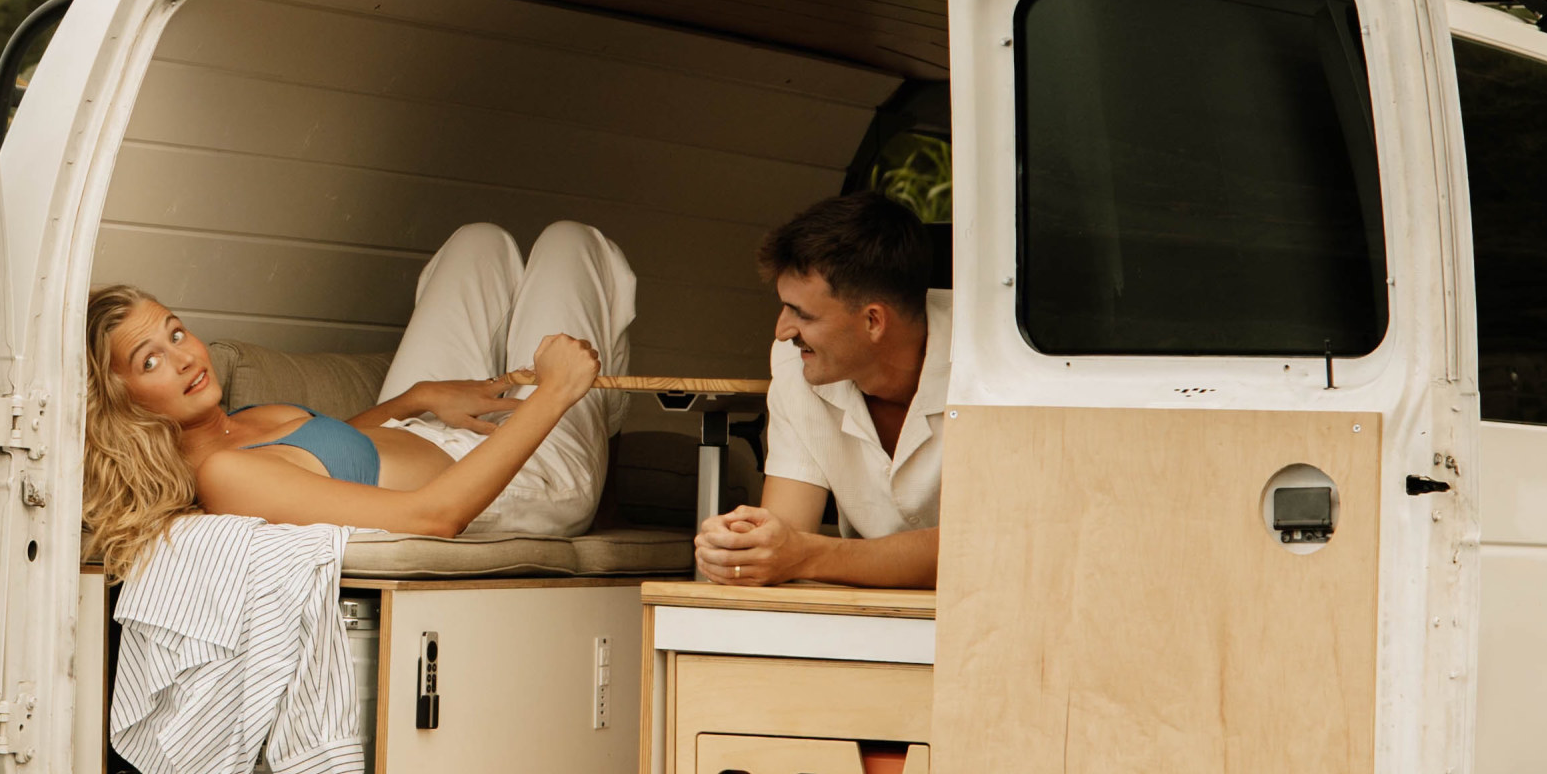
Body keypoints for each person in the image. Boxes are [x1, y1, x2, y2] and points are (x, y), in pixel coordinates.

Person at [84, 222, 633, 576]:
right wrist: (556, 392)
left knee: (478, 243)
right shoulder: (225, 474)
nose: (183, 358)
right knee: (572, 243)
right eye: (149, 360)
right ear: (120, 400)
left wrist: (416, 399)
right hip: (515, 482)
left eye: (176, 333)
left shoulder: (235, 427)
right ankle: (598, 452)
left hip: (435, 435)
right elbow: (436, 516)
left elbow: (335, 455)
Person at [695, 190, 945, 590]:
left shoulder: (996, 362)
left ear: (874, 321)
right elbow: (784, 540)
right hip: (871, 621)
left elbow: (986, 546)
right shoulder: (796, 364)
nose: (782, 331)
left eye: (801, 314)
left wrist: (808, 554)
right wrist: (744, 547)